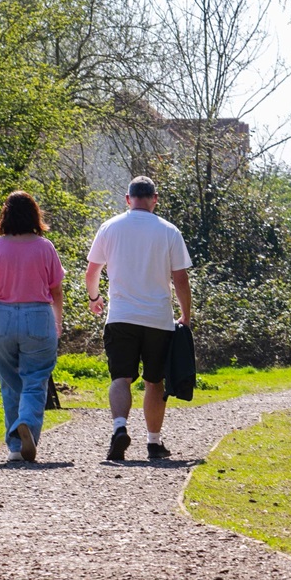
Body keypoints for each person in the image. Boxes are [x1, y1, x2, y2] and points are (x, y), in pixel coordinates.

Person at [84, 175, 193, 461]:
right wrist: (185, 315)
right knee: (155, 381)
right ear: (155, 199)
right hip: (158, 319)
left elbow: (91, 272)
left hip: (120, 317)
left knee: (121, 377)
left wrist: (95, 299)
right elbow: (180, 278)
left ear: (128, 199)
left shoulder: (109, 227)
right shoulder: (169, 231)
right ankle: (154, 443)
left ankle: (119, 428)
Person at [0, 190, 65, 463]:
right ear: (35, 215)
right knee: (36, 380)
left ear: (6, 215)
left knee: (10, 383)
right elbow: (56, 290)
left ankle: (15, 447)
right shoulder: (45, 247)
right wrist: (57, 321)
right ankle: (26, 423)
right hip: (38, 316)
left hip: (2, 318)